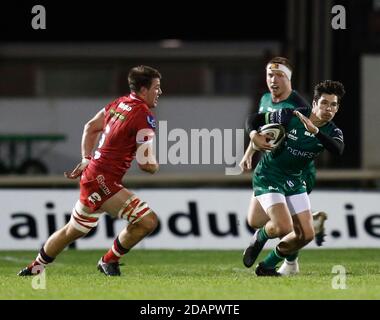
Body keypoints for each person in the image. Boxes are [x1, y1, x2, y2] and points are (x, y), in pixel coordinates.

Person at [18, 65, 162, 277]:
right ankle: (108, 260)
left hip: (93, 175)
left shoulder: (118, 103)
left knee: (72, 230)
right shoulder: (144, 117)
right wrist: (156, 164)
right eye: (157, 87)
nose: (160, 92)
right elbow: (146, 165)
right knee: (147, 221)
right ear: (143, 89)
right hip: (104, 180)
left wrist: (87, 158)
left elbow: (90, 127)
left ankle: (35, 268)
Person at [241, 80, 345, 276]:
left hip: (296, 180)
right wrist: (254, 135)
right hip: (270, 174)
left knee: (306, 235)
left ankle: (268, 266)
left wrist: (316, 132)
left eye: (333, 104)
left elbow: (337, 149)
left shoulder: (333, 131)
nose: (328, 108)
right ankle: (261, 236)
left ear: (337, 108)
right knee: (282, 227)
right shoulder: (292, 115)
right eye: (324, 103)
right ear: (314, 103)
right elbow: (254, 119)